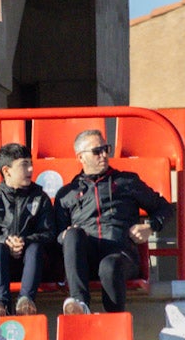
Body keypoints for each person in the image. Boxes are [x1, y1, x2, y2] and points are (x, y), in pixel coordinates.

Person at [54, 130, 172, 314]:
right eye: (97, 151)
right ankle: (79, 303)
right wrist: (64, 235)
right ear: (81, 157)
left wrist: (150, 226)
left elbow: (165, 208)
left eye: (106, 149)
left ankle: (114, 321)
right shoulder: (66, 194)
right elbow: (57, 235)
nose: (103, 155)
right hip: (85, 261)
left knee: (109, 266)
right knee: (73, 234)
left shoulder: (126, 181)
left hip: (121, 255)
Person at [0, 142, 56, 317]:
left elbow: (50, 234)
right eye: (24, 165)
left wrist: (24, 241)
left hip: (34, 264)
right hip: (1, 264)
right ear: (7, 171)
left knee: (35, 248)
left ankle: (26, 301)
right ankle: (1, 304)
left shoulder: (40, 198)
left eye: (30, 164)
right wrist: (6, 241)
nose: (30, 170)